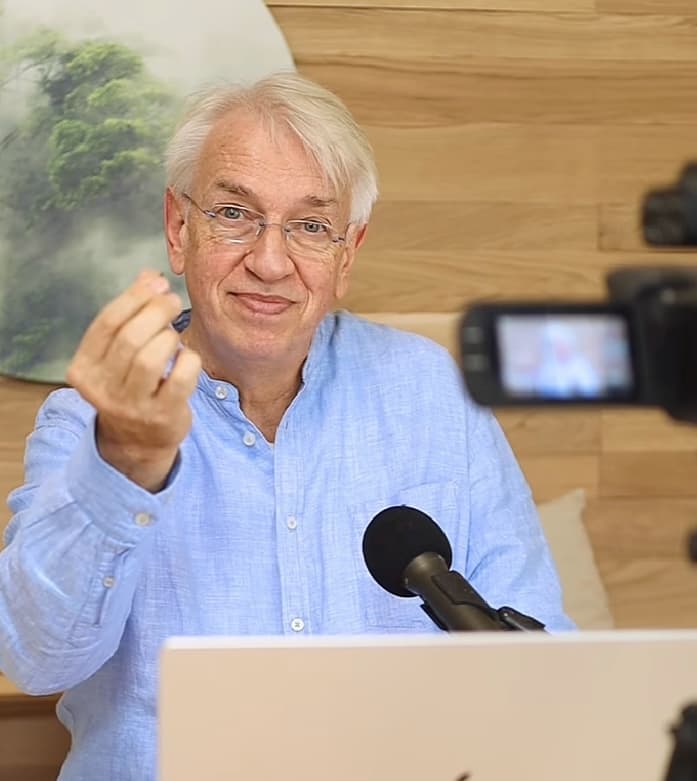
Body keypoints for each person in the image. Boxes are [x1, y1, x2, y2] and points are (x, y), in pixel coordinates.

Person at [0, 72, 573, 780]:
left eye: (309, 226)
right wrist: (125, 462)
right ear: (179, 230)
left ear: (347, 253)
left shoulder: (433, 392)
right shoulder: (91, 422)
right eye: (234, 213)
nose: (270, 262)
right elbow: (37, 660)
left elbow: (539, 654)